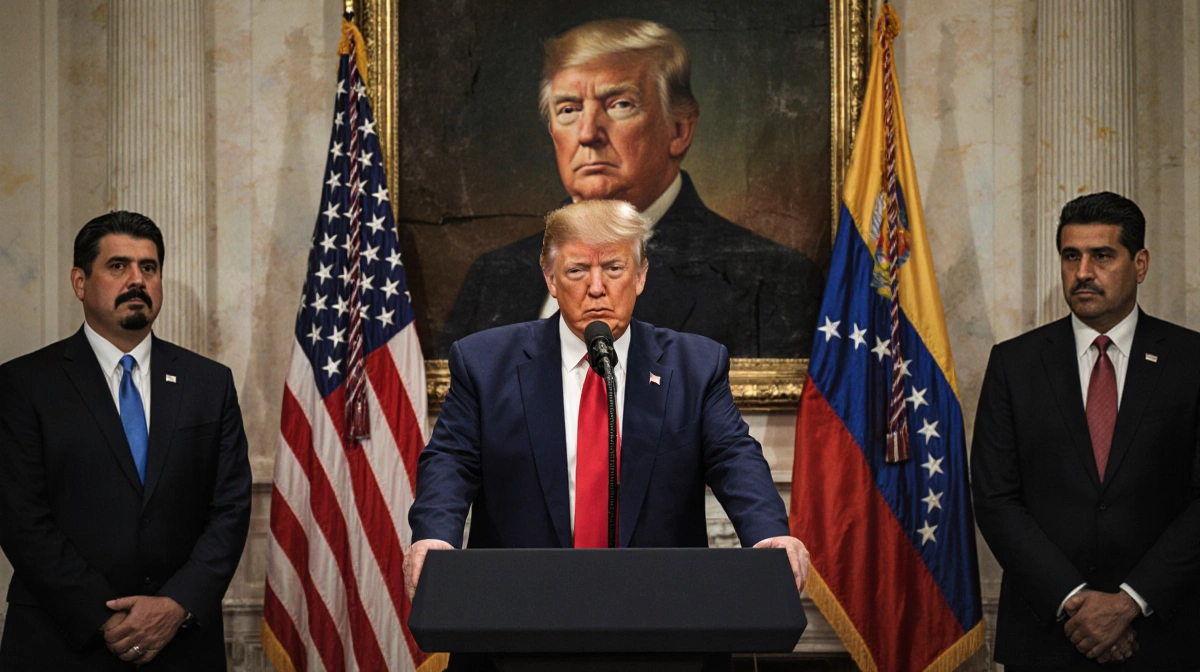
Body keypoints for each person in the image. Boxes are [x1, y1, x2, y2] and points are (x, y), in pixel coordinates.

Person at [406, 201, 808, 654]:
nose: (597, 287)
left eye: (614, 267)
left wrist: (767, 532)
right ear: (550, 279)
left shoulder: (694, 365)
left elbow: (734, 456)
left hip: (662, 626)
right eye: (578, 270)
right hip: (517, 624)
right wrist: (435, 537)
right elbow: (450, 462)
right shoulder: (484, 362)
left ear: (640, 276)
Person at [436, 18, 824, 359]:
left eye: (619, 103)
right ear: (552, 130)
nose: (588, 134)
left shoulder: (772, 281)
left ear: (679, 130)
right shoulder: (493, 279)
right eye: (568, 110)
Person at [0, 212, 253, 670]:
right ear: (80, 282)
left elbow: (231, 508)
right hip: (64, 643)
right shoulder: (24, 384)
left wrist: (175, 604)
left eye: (149, 268)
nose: (137, 280)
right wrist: (106, 618)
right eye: (118, 266)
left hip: (182, 643)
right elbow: (20, 517)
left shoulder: (209, 383)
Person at [971, 192, 1200, 671]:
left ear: (1140, 264)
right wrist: (1075, 601)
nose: (1083, 272)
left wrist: (1130, 602)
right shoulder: (1015, 363)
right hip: (1047, 635)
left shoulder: (1190, 361)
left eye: (1102, 255)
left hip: (1162, 635)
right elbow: (995, 497)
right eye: (1071, 256)